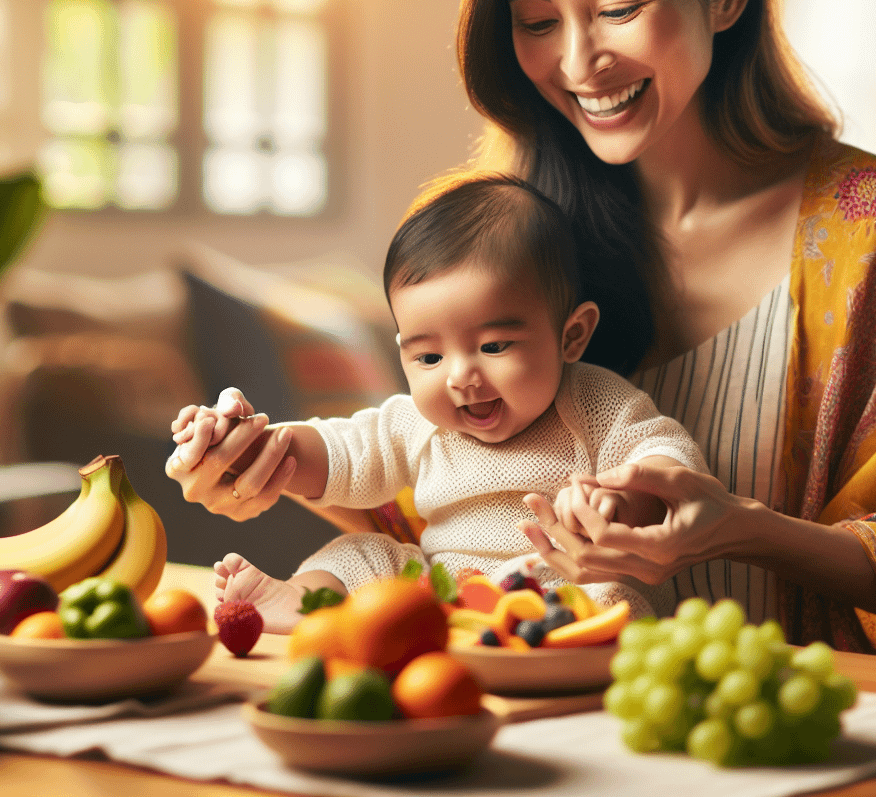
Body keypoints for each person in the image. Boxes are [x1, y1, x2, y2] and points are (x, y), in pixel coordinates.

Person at [450, 0, 876, 652]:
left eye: (616, 8)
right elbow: (432, 490)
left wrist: (739, 527)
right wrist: (279, 468)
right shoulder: (506, 227)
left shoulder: (867, 224)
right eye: (537, 20)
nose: (577, 62)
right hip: (545, 726)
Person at [168, 174, 709, 631]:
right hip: (444, 595)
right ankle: (300, 602)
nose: (461, 377)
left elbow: (663, 451)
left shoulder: (594, 402)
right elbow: (338, 451)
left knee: (616, 593)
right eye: (428, 358)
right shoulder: (414, 423)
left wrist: (626, 501)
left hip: (561, 591)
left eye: (494, 347)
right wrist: (249, 443)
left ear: (571, 335)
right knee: (363, 558)